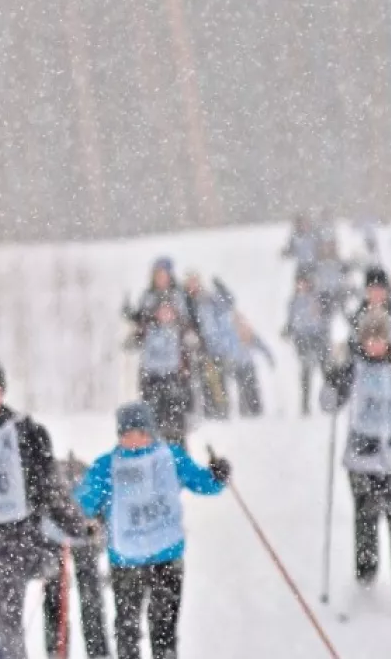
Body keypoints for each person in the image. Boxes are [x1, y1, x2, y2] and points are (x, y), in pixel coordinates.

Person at [0, 354, 87, 659]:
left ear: (2, 392)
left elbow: (50, 486)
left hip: (11, 542)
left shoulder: (25, 432)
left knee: (7, 628)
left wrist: (76, 523)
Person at [75, 402, 229, 659]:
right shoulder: (107, 466)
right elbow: (84, 502)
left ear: (151, 432)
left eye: (141, 433)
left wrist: (217, 476)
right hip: (126, 560)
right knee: (127, 628)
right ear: (119, 435)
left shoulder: (171, 457)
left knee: (164, 629)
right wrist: (68, 507)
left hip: (166, 556)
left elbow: (203, 483)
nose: (134, 440)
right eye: (127, 434)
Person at [321, 306, 391, 607]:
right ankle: (365, 580)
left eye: (381, 338)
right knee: (366, 519)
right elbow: (328, 405)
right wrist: (331, 381)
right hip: (362, 460)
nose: (375, 344)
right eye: (370, 338)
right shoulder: (353, 369)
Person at [40, 456, 111, 659]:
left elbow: (103, 508)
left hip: (79, 541)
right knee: (57, 599)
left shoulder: (91, 474)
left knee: (89, 599)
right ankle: (57, 651)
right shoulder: (53, 474)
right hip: (57, 540)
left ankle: (95, 651)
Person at [125, 259, 195, 446]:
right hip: (150, 368)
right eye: (158, 274)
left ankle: (178, 454)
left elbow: (187, 323)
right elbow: (139, 323)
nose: (161, 278)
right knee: (152, 416)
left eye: (164, 274)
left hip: (172, 367)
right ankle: (154, 452)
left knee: (175, 415)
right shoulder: (147, 297)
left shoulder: (178, 296)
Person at [182, 273, 263, 419]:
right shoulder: (186, 301)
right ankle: (210, 411)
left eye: (195, 282)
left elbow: (228, 303)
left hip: (213, 348)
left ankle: (221, 411)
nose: (192, 286)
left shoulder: (207, 299)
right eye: (190, 283)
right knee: (205, 381)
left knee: (217, 380)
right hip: (199, 347)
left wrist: (222, 289)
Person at [284, 274, 334, 415]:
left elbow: (325, 317)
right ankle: (305, 404)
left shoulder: (317, 298)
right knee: (306, 372)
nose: (301, 286)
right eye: (299, 283)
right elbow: (291, 320)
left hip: (317, 338)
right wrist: (288, 329)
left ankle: (329, 402)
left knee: (325, 371)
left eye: (303, 282)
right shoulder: (293, 302)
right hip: (302, 339)